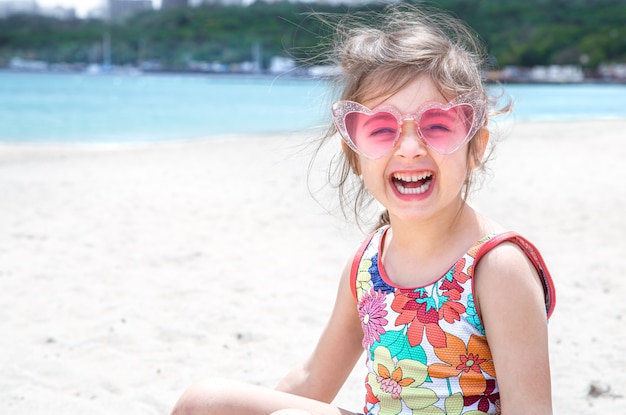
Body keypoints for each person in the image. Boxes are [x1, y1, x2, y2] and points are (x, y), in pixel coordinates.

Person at [171, 4, 556, 415]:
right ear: (354, 155)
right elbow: (313, 380)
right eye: (382, 130)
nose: (409, 148)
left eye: (438, 126)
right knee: (204, 401)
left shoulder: (497, 268)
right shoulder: (368, 266)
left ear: (475, 146)